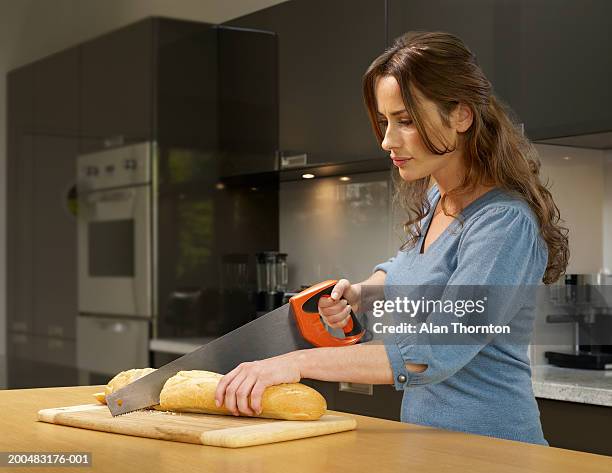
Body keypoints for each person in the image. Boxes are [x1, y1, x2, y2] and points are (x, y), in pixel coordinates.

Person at [214, 31, 569, 445]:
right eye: (385, 122)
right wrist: (362, 294)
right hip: (425, 447)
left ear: (461, 116)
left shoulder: (503, 223)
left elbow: (430, 355)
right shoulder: (439, 198)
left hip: (493, 451)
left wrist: (294, 362)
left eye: (406, 121)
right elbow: (409, 268)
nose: (387, 141)